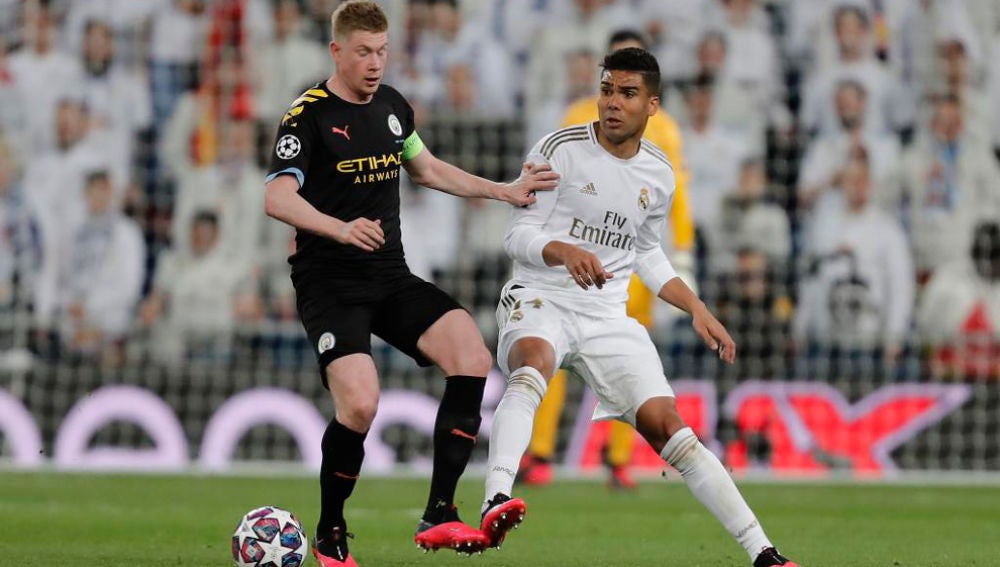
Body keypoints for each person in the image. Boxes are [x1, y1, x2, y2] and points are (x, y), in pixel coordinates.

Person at [261, 2, 557, 566]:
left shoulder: (394, 108)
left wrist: (504, 190)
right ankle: (329, 532)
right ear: (337, 52)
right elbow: (277, 198)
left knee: (471, 355)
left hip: (389, 274)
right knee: (360, 405)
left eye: (382, 51)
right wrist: (339, 228)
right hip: (330, 283)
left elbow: (427, 168)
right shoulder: (307, 116)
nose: (376, 63)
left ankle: (440, 512)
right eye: (364, 52)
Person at [479, 47, 797, 567]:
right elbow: (517, 235)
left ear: (652, 105)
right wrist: (563, 251)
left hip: (607, 315)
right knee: (532, 367)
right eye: (607, 89)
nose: (612, 102)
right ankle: (496, 499)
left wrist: (696, 307)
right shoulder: (559, 149)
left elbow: (646, 252)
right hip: (541, 297)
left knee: (671, 428)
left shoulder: (659, 173)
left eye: (627, 93)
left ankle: (764, 553)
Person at [520, 28, 697, 490]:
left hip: (629, 263)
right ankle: (540, 451)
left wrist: (683, 251)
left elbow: (677, 194)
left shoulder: (666, 129)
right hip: (575, 256)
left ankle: (618, 458)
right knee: (553, 354)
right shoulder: (578, 116)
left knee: (627, 360)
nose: (617, 92)